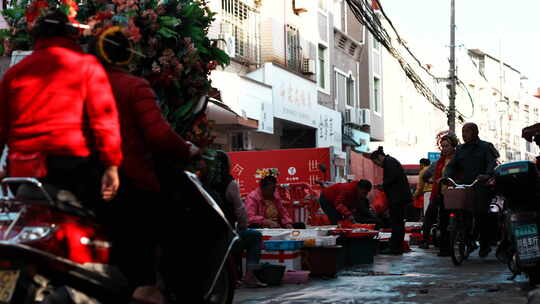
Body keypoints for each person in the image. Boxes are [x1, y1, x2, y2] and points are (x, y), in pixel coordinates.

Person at [89, 26, 198, 292]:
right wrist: (187, 150)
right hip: (129, 184)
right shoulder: (133, 87)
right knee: (160, 243)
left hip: (78, 183)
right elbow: (160, 136)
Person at [0, 10, 122, 204]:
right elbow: (105, 121)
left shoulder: (14, 73)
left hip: (22, 170)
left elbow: (2, 126)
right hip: (72, 167)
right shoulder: (86, 66)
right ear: (70, 34)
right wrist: (111, 165)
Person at [209, 151, 266, 288]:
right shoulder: (230, 183)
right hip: (225, 235)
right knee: (255, 236)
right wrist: (243, 226)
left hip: (209, 234)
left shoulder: (204, 182)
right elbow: (240, 211)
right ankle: (250, 276)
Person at [444, 122, 499, 257]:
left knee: (481, 213)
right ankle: (466, 239)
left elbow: (492, 163)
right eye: (463, 131)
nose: (464, 134)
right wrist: (447, 176)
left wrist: (486, 175)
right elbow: (452, 165)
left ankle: (485, 244)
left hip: (480, 185)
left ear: (475, 132)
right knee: (458, 210)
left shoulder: (486, 147)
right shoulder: (460, 149)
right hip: (464, 186)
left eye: (467, 131)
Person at [419, 134, 460, 255]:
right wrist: (432, 181)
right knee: (440, 220)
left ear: (453, 146)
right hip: (440, 194)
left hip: (455, 193)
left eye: (447, 146)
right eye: (442, 146)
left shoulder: (459, 159)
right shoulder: (438, 162)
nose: (445, 148)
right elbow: (425, 176)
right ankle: (437, 244)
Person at [370, 146, 412, 255]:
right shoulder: (390, 162)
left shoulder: (389, 163)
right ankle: (396, 247)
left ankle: (395, 248)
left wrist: (382, 185)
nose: (377, 165)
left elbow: (391, 179)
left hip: (398, 198)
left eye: (376, 162)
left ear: (379, 157)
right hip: (399, 197)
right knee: (398, 223)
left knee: (396, 223)